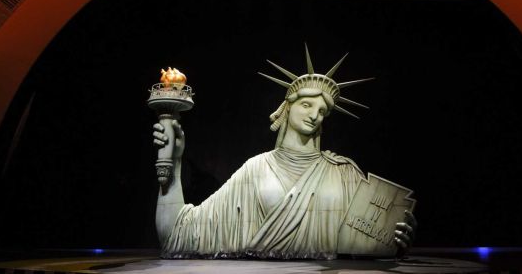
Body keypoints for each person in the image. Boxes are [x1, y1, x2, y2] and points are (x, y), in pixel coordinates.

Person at [152, 47, 417, 259]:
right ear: (287, 108)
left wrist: (397, 238)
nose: (315, 115)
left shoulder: (344, 172)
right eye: (306, 105)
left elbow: (374, 233)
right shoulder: (256, 169)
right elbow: (177, 235)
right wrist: (174, 163)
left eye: (322, 111)